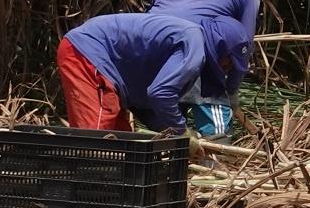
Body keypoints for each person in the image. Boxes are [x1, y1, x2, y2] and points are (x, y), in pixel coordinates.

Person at [150, 0, 260, 136]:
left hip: (153, 39)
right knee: (216, 128)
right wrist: (231, 92)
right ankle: (215, 160)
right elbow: (243, 47)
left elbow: (156, 4)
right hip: (194, 44)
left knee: (168, 124)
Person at [57, 12, 207, 135]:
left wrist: (175, 133)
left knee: (121, 140)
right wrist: (181, 131)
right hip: (87, 53)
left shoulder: (180, 45)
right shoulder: (193, 44)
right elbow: (160, 94)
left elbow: (150, 105)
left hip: (104, 64)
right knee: (96, 135)